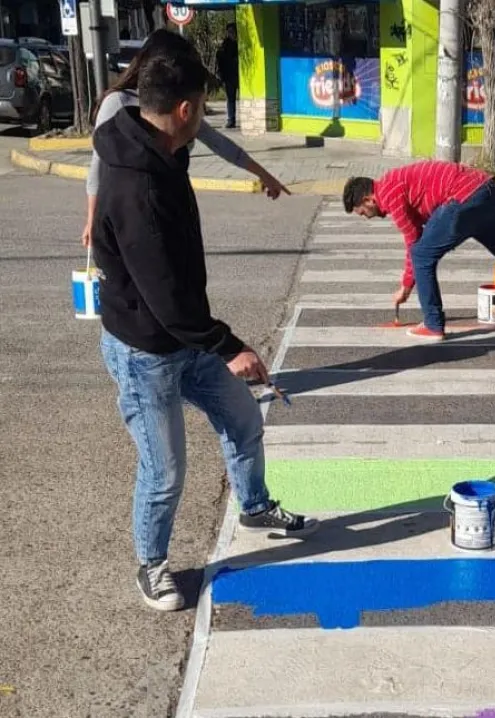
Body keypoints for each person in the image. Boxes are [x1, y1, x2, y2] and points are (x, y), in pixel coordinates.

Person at [90, 48, 317, 613]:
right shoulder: (138, 186)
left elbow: (175, 293)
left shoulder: (161, 148)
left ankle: (255, 504)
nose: (203, 123)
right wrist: (230, 346)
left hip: (184, 337)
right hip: (146, 349)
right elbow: (163, 295)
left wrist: (213, 342)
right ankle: (152, 565)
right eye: (204, 110)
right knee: (164, 471)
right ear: (186, 108)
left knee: (242, 418)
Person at [81, 29, 288, 248]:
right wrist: (92, 221)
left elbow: (220, 144)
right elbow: (97, 169)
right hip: (130, 213)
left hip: (169, 204)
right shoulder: (118, 102)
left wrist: (264, 175)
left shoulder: (174, 106)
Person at [341, 161, 495, 341]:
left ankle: (432, 325)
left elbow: (414, 242)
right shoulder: (395, 181)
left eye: (362, 212)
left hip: (463, 198)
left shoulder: (388, 193)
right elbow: (423, 226)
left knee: (421, 255)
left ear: (368, 199)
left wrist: (406, 286)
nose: (366, 216)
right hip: (488, 190)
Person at [215, 22, 239, 128]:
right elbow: (220, 59)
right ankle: (231, 119)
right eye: (229, 32)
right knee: (230, 98)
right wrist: (221, 74)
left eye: (233, 32)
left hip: (240, 75)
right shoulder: (225, 45)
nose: (231, 34)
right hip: (229, 76)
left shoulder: (240, 43)